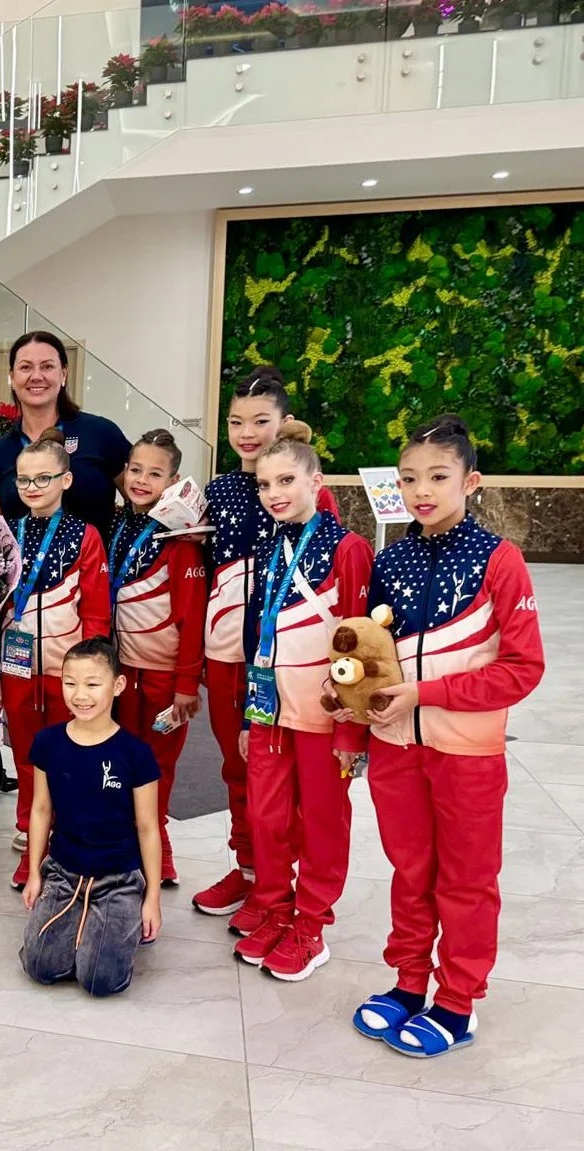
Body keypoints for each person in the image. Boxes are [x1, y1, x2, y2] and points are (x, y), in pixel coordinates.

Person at [344, 415, 544, 1057]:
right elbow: (373, 656)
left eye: (437, 476)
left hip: (468, 755)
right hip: (397, 749)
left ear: (471, 481)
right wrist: (357, 707)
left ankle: (457, 1003)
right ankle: (408, 983)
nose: (420, 490)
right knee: (411, 870)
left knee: (465, 878)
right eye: (408, 478)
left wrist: (425, 694)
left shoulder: (500, 561)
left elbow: (522, 669)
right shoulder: (392, 559)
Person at [192, 366, 341, 919]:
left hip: (291, 658)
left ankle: (287, 883)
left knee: (285, 776)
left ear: (284, 423)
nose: (247, 432)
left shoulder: (307, 494)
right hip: (230, 653)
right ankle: (250, 869)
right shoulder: (221, 491)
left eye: (260, 421)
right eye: (235, 422)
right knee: (238, 764)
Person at [229, 434, 370, 981]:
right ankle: (274, 903)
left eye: (286, 480)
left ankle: (311, 924)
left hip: (323, 718)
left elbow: (361, 650)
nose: (273, 493)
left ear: (316, 482)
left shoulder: (348, 549)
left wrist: (352, 732)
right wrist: (247, 714)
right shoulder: (268, 547)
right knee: (266, 816)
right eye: (265, 484)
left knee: (321, 823)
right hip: (269, 710)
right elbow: (256, 634)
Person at [0, 428, 111, 890]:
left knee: (71, 758)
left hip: (66, 674)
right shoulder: (5, 534)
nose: (32, 488)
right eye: (23, 480)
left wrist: (90, 678)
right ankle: (30, 840)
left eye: (43, 478)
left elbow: (96, 612)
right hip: (17, 671)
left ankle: (69, 843)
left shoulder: (86, 536)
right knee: (27, 757)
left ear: (66, 481)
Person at [20, 637, 162, 995]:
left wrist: (153, 899)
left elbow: (147, 828)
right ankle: (82, 928)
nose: (79, 694)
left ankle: (114, 923)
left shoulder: (136, 754)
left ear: (118, 686)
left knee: (101, 981)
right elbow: (40, 809)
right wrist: (35, 872)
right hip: (64, 870)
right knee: (40, 967)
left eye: (92, 684)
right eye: (70, 683)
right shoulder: (48, 742)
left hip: (118, 875)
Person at [108, 429, 206, 887]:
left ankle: (158, 846)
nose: (142, 480)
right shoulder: (115, 526)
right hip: (121, 670)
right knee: (121, 758)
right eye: (135, 469)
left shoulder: (181, 539)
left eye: (154, 473)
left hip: (166, 677)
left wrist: (187, 684)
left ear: (174, 480)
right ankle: (125, 841)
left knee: (157, 765)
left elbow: (191, 618)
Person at [0, 330, 131, 540]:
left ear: (64, 374)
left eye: (47, 366)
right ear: (12, 377)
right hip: (24, 572)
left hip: (95, 570)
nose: (37, 376)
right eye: (25, 367)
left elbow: (142, 500)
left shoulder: (102, 434)